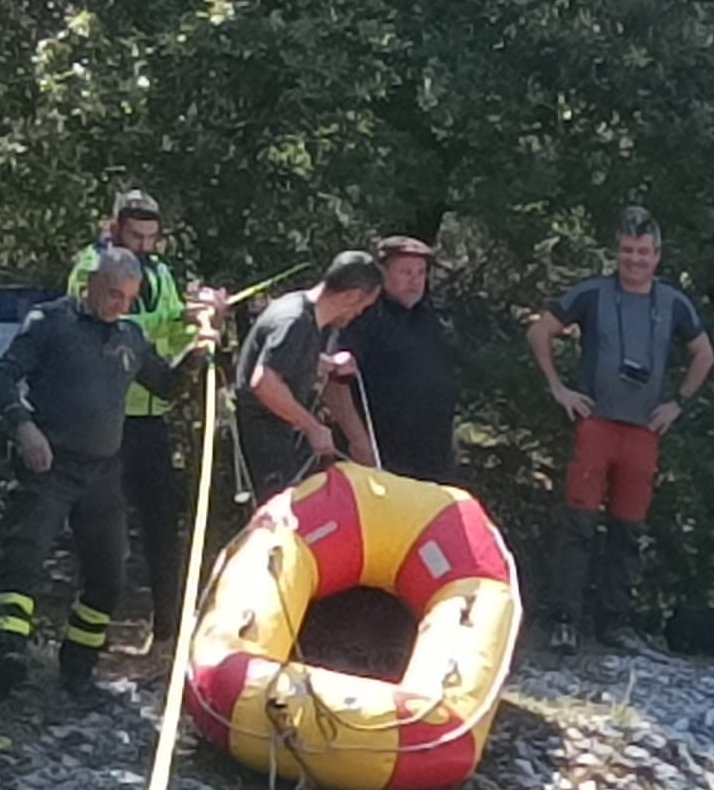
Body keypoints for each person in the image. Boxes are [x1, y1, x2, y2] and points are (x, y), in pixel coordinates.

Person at [0, 248, 177, 698]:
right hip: (49, 464)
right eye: (113, 294)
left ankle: (78, 670)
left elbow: (166, 385)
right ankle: (6, 658)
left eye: (129, 298)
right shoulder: (50, 323)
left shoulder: (130, 336)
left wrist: (204, 348)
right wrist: (24, 427)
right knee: (23, 560)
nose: (120, 306)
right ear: (90, 284)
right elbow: (0, 378)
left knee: (109, 573)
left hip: (103, 472)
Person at [526, 206, 714, 654]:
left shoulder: (673, 302)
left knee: (628, 529)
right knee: (579, 523)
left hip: (644, 430)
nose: (635, 260)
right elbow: (540, 331)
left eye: (643, 252)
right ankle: (565, 620)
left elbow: (704, 354)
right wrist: (558, 388)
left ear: (657, 256)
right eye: (628, 251)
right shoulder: (593, 293)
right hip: (596, 423)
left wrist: (679, 403)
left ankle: (614, 623)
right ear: (618, 252)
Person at [66, 189, 208, 646]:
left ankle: (168, 627)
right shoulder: (92, 268)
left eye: (152, 238)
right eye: (136, 237)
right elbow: (108, 322)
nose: (145, 247)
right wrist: (172, 315)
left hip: (152, 413)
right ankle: (90, 634)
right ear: (115, 229)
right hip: (105, 414)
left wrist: (200, 321)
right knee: (99, 526)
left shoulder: (162, 272)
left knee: (162, 521)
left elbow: (164, 337)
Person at [233, 251, 383, 502]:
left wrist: (323, 363)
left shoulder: (306, 314)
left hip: (283, 437)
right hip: (266, 441)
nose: (359, 313)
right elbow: (264, 382)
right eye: (362, 306)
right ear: (352, 296)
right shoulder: (294, 321)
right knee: (282, 523)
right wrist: (312, 427)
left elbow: (283, 360)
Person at [336, 235, 461, 482]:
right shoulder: (364, 316)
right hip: (382, 458)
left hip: (434, 461)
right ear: (382, 273)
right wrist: (359, 441)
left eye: (421, 272)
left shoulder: (430, 317)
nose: (414, 281)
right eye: (405, 272)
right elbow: (335, 383)